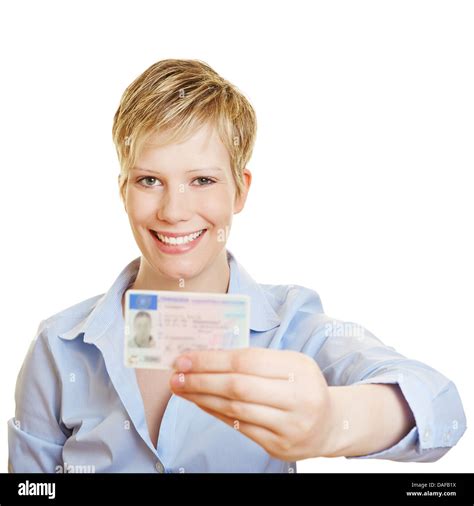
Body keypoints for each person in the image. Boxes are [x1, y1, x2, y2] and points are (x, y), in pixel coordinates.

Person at [7, 59, 467, 473]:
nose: (173, 211)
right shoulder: (59, 347)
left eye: (202, 180)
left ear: (240, 191)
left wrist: (332, 421)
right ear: (123, 189)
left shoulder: (293, 328)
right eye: (150, 180)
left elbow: (442, 407)